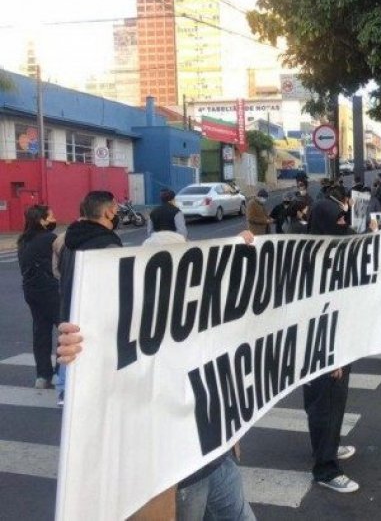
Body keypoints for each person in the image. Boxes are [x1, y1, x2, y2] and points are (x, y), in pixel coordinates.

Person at [56, 229, 258, 520]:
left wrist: (241, 247)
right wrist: (77, 352)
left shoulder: (207, 310)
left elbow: (248, 305)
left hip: (220, 458)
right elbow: (101, 369)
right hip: (179, 477)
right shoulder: (131, 325)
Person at [305, 184, 359, 493]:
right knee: (323, 406)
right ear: (325, 223)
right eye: (339, 221)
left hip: (340, 344)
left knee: (334, 404)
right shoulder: (307, 262)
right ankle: (325, 469)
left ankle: (328, 446)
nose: (344, 225)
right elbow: (315, 312)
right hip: (320, 350)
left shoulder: (334, 251)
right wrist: (330, 355)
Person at [56, 190, 124, 406]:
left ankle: (64, 392)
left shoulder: (68, 239)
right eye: (116, 207)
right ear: (108, 211)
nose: (118, 211)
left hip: (70, 312)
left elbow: (59, 272)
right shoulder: (107, 244)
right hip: (98, 322)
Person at [17, 204, 60, 389]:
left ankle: (42, 376)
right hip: (51, 289)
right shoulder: (51, 238)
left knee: (40, 332)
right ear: (42, 220)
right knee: (65, 328)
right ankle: (60, 373)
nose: (54, 218)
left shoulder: (23, 240)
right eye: (50, 216)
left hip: (31, 290)